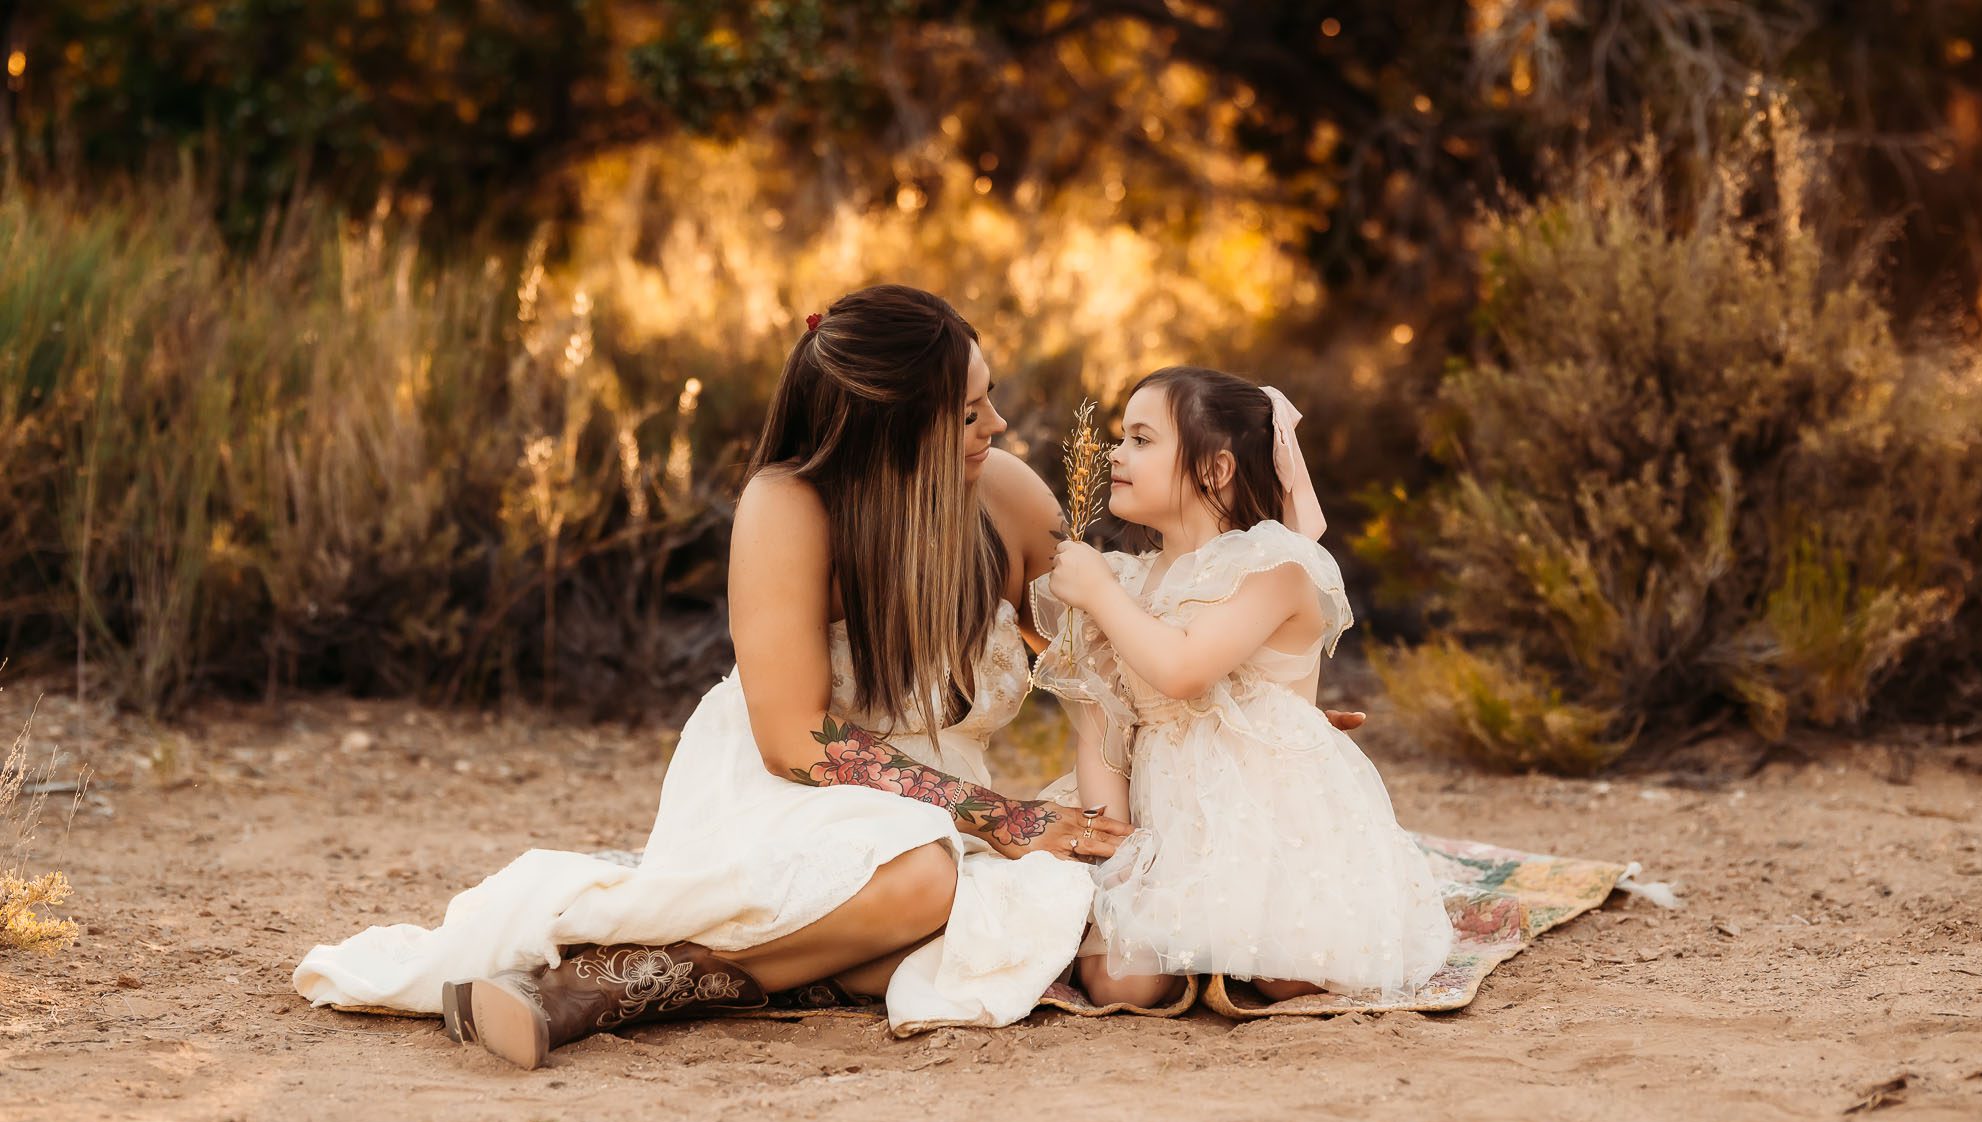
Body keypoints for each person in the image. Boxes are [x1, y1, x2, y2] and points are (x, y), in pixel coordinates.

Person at [296, 285, 1136, 1066]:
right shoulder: (790, 506)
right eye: (964, 413)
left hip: (938, 814)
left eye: (987, 397)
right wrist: (1002, 815)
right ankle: (592, 993)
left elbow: (1099, 664)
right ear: (892, 431)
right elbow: (793, 738)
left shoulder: (1005, 498)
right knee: (928, 881)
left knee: (997, 912)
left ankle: (704, 962)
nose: (995, 424)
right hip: (790, 794)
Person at [1033, 366, 1452, 1009]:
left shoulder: (1273, 566)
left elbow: (1183, 668)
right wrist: (1114, 856)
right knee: (1126, 982)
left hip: (1268, 813)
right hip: (1158, 814)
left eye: (1142, 440)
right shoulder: (1126, 578)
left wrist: (1098, 595)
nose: (1117, 453)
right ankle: (1185, 931)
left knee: (1293, 969)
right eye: (1121, 438)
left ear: (1215, 471)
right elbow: (1102, 726)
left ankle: (1243, 939)